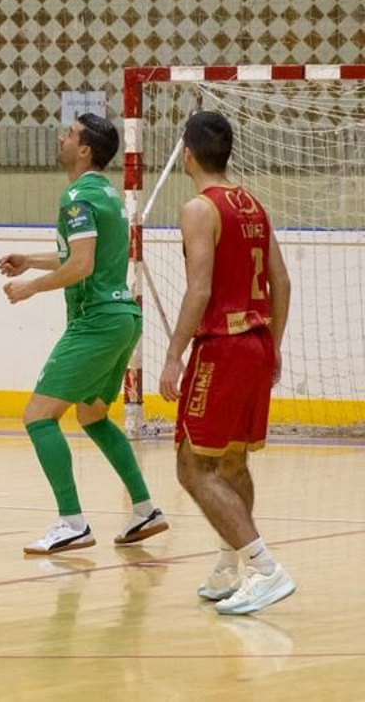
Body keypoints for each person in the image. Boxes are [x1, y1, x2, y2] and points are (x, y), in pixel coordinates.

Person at [0, 114, 168, 555]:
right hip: (122, 318)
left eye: (69, 134)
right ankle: (145, 510)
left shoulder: (76, 196)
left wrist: (28, 288)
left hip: (96, 320)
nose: (61, 137)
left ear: (85, 149)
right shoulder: (106, 195)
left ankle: (71, 521)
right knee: (92, 417)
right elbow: (76, 255)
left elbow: (81, 266)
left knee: (38, 416)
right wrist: (31, 261)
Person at [160, 111, 294, 614]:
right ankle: (229, 563)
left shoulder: (199, 208)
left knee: (193, 468)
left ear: (187, 153)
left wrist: (174, 355)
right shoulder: (253, 204)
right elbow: (281, 282)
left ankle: (264, 567)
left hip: (222, 347)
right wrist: (273, 345)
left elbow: (199, 290)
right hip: (258, 343)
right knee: (233, 461)